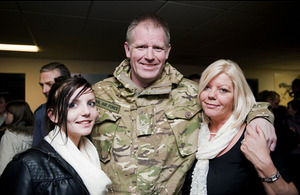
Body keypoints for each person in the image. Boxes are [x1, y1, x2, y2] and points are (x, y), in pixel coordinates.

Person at [91, 14, 276, 194]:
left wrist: (261, 117)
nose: (149, 56)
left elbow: (237, 103)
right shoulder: (98, 94)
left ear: (167, 51)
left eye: (157, 48)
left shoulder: (191, 93)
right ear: (127, 49)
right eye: (141, 47)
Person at [184, 59, 297, 194]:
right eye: (207, 87)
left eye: (223, 90)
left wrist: (264, 165)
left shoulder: (255, 134)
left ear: (237, 97)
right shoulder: (191, 131)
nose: (211, 95)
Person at [0, 75, 111, 194]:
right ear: (53, 115)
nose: (86, 112)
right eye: (73, 105)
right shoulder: (27, 165)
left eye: (91, 103)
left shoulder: (94, 154)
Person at [32, 62, 71, 146]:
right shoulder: (41, 113)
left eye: (49, 84)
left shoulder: (85, 110)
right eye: (42, 85)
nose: (44, 90)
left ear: (66, 83)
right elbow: (37, 149)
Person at [0, 100, 33, 175]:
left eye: (7, 113)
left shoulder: (9, 137)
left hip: (12, 182)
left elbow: (4, 167)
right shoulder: (35, 135)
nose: (4, 115)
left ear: (16, 115)